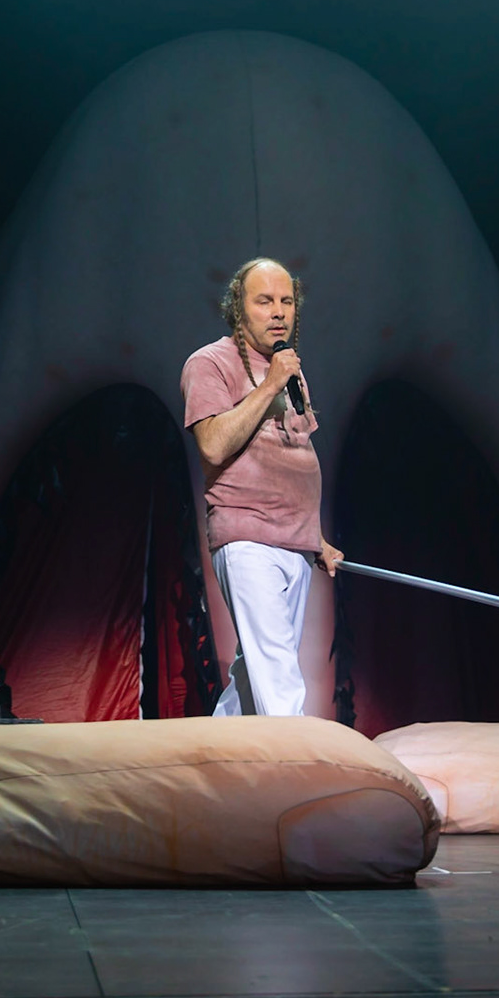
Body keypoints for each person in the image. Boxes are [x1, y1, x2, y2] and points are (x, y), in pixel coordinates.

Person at [180, 257, 344, 716]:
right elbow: (212, 446)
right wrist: (268, 385)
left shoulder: (289, 371)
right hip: (248, 537)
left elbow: (290, 458)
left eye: (287, 301)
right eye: (265, 300)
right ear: (239, 308)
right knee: (277, 676)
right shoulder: (209, 363)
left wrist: (316, 538)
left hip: (294, 545)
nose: (278, 312)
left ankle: (213, 762)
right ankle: (298, 774)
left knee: (255, 680)